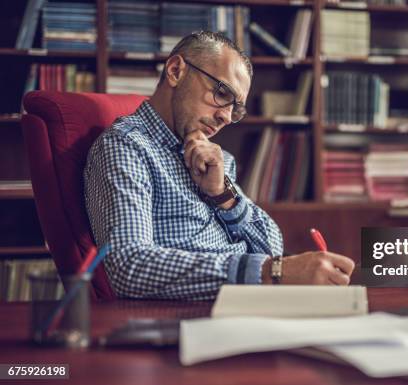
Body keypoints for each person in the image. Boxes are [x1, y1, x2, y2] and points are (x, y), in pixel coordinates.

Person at [84, 31, 355, 300]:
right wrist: (269, 272)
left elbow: (272, 244)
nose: (225, 116)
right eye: (221, 92)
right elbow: (129, 268)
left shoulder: (216, 158)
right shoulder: (126, 147)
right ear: (176, 70)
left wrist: (223, 197)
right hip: (191, 320)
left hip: (244, 304)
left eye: (235, 107)